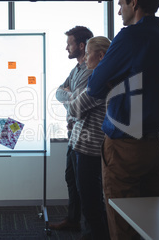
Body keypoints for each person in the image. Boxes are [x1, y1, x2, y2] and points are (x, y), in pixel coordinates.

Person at [87, 0, 159, 240]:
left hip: (123, 146)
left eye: (120, 5)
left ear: (134, 2)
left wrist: (112, 78)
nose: (118, 11)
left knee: (123, 220)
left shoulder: (129, 37)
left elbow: (94, 86)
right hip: (154, 144)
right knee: (154, 220)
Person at [67, 36, 111, 240]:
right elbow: (75, 105)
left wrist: (72, 95)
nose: (84, 58)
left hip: (89, 148)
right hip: (83, 146)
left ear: (100, 55)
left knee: (91, 203)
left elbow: (75, 109)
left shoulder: (100, 80)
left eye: (87, 53)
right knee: (90, 200)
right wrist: (74, 96)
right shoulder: (96, 77)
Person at [50, 26, 93, 231]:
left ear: (81, 46)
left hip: (84, 131)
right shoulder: (75, 70)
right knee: (71, 176)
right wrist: (70, 94)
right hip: (72, 131)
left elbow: (79, 102)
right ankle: (73, 220)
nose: (66, 47)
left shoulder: (90, 70)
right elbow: (59, 92)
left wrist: (70, 95)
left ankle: (87, 227)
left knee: (84, 182)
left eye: (70, 44)